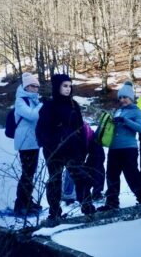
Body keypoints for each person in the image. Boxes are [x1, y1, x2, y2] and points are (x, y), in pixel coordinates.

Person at [36, 74, 95, 220]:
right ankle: (55, 212)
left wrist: (82, 147)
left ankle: (87, 207)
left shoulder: (74, 104)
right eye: (65, 86)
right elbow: (41, 130)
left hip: (73, 150)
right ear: (57, 87)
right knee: (55, 180)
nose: (68, 89)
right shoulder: (49, 106)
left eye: (70, 86)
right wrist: (53, 144)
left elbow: (80, 127)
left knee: (80, 177)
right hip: (54, 151)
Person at [98, 81, 141, 211]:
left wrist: (125, 121)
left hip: (128, 149)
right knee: (111, 175)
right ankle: (112, 203)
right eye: (120, 97)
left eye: (125, 97)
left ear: (131, 98)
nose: (122, 100)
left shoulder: (137, 112)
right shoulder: (118, 111)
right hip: (114, 148)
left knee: (132, 175)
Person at [12, 73, 43, 215]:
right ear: (26, 86)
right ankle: (20, 204)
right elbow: (32, 116)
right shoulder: (20, 101)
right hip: (25, 142)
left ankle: (27, 200)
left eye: (37, 86)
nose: (35, 89)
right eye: (32, 86)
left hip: (33, 141)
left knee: (31, 173)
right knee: (27, 173)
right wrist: (42, 106)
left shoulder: (34, 101)